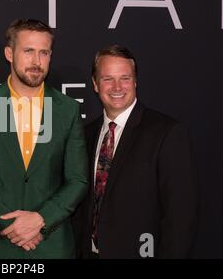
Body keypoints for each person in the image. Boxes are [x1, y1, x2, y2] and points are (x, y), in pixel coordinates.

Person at [0, 19, 88, 258]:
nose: (37, 62)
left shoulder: (67, 110)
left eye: (44, 52)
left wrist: (41, 220)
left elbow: (78, 180)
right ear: (9, 53)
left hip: (49, 245)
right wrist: (11, 226)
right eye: (28, 51)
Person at [75, 44, 198, 258]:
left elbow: (181, 216)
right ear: (95, 84)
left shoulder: (166, 133)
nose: (117, 87)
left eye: (124, 78)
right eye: (107, 79)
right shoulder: (85, 135)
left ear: (135, 81)